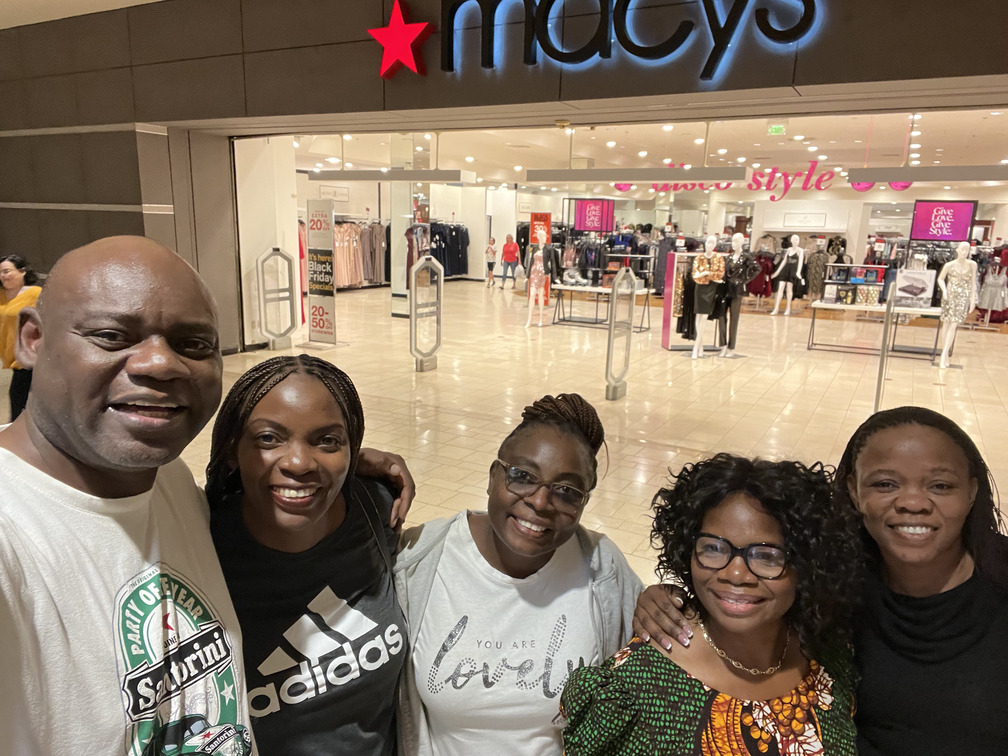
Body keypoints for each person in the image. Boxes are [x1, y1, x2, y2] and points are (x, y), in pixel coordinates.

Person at [0, 235, 415, 755]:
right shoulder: (13, 536)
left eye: (193, 344)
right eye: (111, 335)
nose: (159, 364)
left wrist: (337, 463)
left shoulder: (167, 482)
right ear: (32, 339)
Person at [634, 406, 1008, 756]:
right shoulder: (830, 584)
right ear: (853, 490)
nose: (913, 502)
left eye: (940, 485)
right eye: (884, 484)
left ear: (972, 491)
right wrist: (667, 599)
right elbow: (745, 594)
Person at [561, 453, 861, 755]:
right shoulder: (636, 686)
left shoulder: (826, 651)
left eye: (767, 556)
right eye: (714, 548)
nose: (736, 574)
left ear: (807, 564)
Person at [394, 393, 642, 756]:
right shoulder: (420, 560)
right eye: (523, 476)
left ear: (583, 503)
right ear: (493, 476)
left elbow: (654, 657)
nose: (540, 502)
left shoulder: (602, 568)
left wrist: (665, 600)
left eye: (567, 492)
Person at [206, 355, 405, 755]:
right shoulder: (200, 543)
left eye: (327, 441)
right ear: (232, 451)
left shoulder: (375, 506)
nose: (298, 463)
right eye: (268, 438)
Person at [0, 254, 42, 420]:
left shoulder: (35, 293)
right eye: (0, 272)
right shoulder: (1, 296)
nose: (3, 276)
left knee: (19, 400)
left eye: (7, 271)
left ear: (22, 271)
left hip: (30, 356)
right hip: (12, 357)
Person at [717, 233, 760, 358]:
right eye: (732, 241)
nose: (733, 243)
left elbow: (757, 268)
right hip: (725, 289)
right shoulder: (729, 257)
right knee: (721, 316)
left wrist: (744, 280)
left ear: (741, 242)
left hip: (737, 290)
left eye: (736, 241)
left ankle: (731, 347)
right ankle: (723, 345)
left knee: (734, 317)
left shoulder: (746, 257)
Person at [936, 240, 977, 368]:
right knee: (946, 323)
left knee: (954, 324)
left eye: (967, 249)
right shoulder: (949, 265)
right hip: (949, 296)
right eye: (962, 249)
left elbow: (973, 283)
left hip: (962, 297)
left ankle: (944, 353)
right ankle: (945, 353)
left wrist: (973, 299)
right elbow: (940, 279)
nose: (964, 252)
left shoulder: (972, 265)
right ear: (957, 250)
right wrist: (944, 291)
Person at [691, 235, 724, 359]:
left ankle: (696, 346)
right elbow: (695, 275)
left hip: (711, 289)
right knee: (698, 315)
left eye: (712, 243)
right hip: (700, 288)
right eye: (708, 242)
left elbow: (720, 274)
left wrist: (706, 273)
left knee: (704, 316)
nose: (709, 245)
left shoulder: (719, 258)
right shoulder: (698, 257)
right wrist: (709, 275)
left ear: (715, 245)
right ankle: (700, 346)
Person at [769, 234, 804, 316]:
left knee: (789, 289)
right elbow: (784, 261)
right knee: (780, 288)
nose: (796, 241)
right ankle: (776, 308)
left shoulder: (800, 250)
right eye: (794, 239)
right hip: (785, 270)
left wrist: (798, 272)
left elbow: (800, 262)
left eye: (797, 239)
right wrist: (777, 272)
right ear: (791, 241)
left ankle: (788, 308)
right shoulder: (789, 249)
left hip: (793, 270)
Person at [525, 231, 551, 328]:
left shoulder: (548, 249)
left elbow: (551, 262)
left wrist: (553, 276)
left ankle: (540, 318)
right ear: (539, 237)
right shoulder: (534, 248)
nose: (545, 238)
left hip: (542, 273)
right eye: (543, 236)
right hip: (534, 272)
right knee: (532, 294)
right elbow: (531, 262)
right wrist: (527, 276)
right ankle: (529, 320)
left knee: (540, 294)